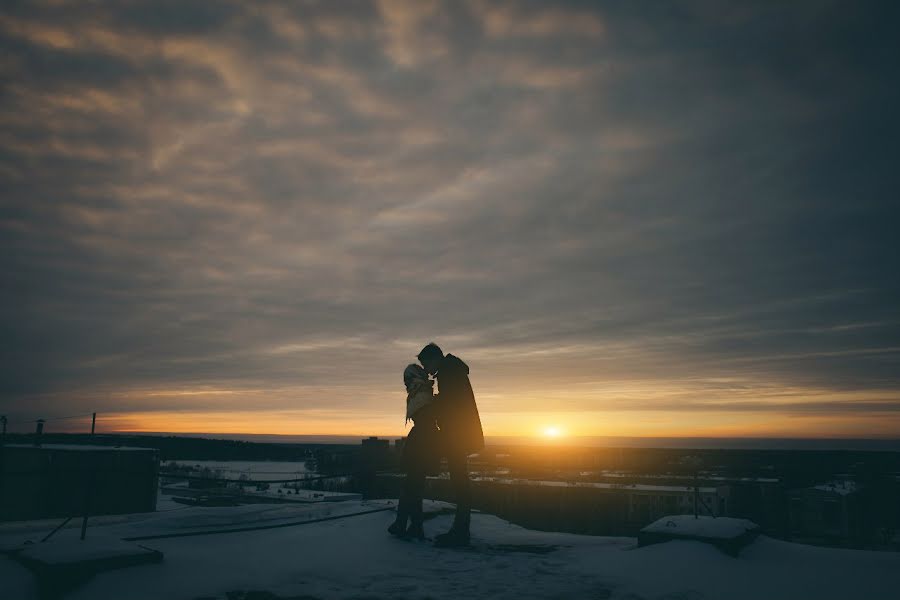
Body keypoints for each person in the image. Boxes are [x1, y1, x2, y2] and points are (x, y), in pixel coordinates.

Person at [417, 342, 484, 547]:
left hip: (458, 435)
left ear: (433, 359)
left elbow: (450, 404)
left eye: (425, 365)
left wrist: (429, 402)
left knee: (460, 483)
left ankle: (460, 532)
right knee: (460, 481)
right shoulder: (451, 371)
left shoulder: (448, 373)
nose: (426, 371)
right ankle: (460, 530)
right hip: (460, 434)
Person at [387, 363, 440, 540]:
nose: (405, 383)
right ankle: (411, 525)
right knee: (413, 487)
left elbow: (427, 422)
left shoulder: (422, 393)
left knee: (411, 486)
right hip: (422, 441)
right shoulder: (421, 392)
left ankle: (404, 524)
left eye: (407, 379)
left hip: (422, 442)